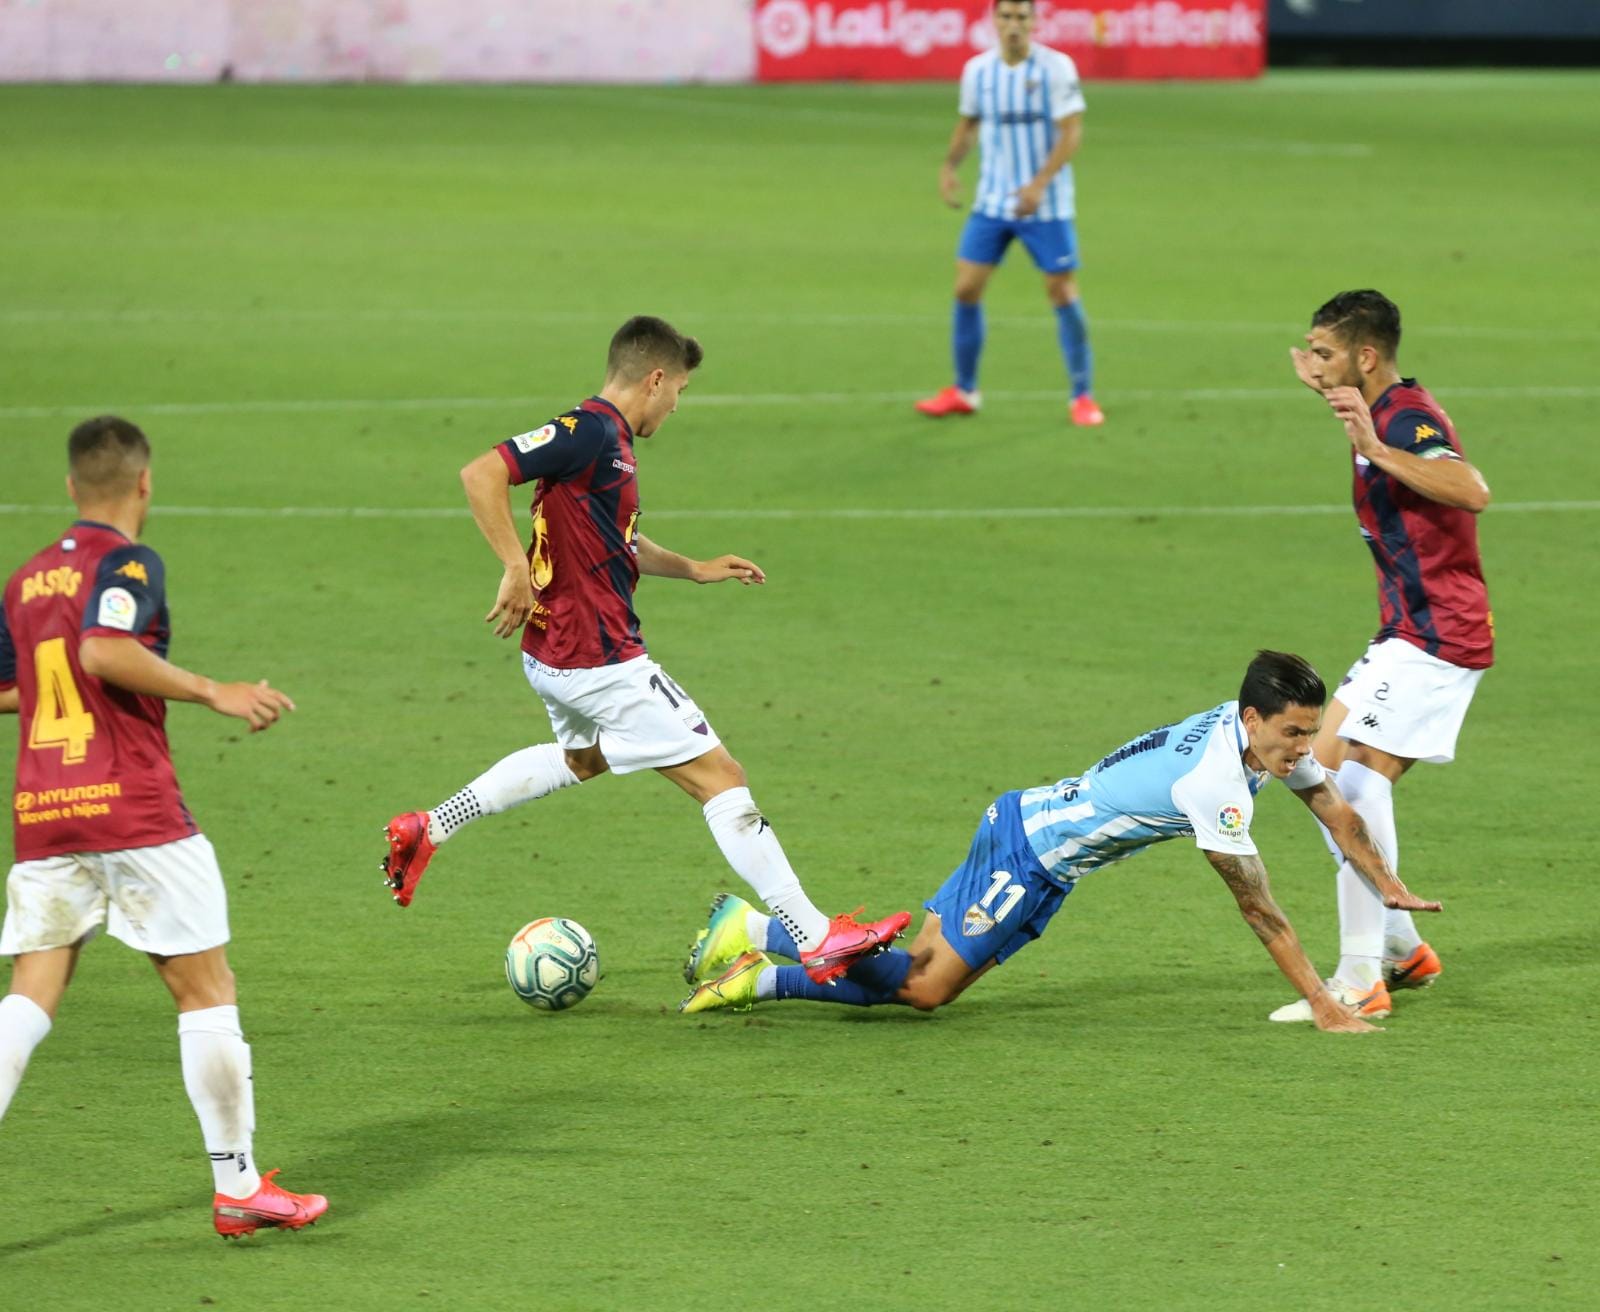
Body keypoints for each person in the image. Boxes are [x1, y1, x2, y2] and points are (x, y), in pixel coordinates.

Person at [380, 316, 908, 983]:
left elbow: (616, 539)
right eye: (679, 390)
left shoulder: (609, 448)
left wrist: (694, 567)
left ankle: (431, 826)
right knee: (722, 778)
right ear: (655, 379)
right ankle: (815, 935)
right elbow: (480, 472)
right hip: (600, 659)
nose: (677, 405)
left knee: (581, 759)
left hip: (552, 656)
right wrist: (513, 564)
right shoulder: (591, 431)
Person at [679, 651, 1442, 1034]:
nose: (1305, 746)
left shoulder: (1260, 737)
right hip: (1030, 853)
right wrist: (1324, 1003)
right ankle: (754, 954)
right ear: (1251, 719)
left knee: (920, 977)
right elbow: (1260, 909)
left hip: (1031, 834)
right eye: (1293, 733)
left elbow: (1336, 809)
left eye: (1310, 732)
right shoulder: (1212, 782)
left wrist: (1386, 883)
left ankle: (750, 936)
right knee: (923, 988)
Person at [0, 416, 326, 1238]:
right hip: (135, 809)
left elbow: (17, 689)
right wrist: (215, 689)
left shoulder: (26, 578)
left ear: (72, 486)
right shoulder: (130, 560)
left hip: (45, 812)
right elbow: (105, 651)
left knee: (29, 1000)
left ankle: (242, 1186)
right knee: (205, 992)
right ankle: (239, 1185)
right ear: (145, 483)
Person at [1279, 289, 1492, 1020]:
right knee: (1313, 772)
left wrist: (1372, 446)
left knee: (1352, 787)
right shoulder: (1377, 406)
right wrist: (1333, 398)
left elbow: (1471, 489)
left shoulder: (1407, 418)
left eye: (1327, 351)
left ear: (1366, 357)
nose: (1315, 362)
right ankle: (1403, 948)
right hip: (1406, 631)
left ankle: (1361, 978)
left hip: (1437, 635)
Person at [914, 0, 1103, 427]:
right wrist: (949, 167)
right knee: (965, 289)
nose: (1013, 25)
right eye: (1006, 17)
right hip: (992, 203)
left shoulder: (1056, 68)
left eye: (1021, 17)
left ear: (1034, 22)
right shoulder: (978, 71)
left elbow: (1072, 132)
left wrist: (1039, 185)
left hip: (1047, 206)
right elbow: (969, 124)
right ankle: (965, 390)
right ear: (994, 21)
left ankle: (1082, 396)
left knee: (1061, 291)